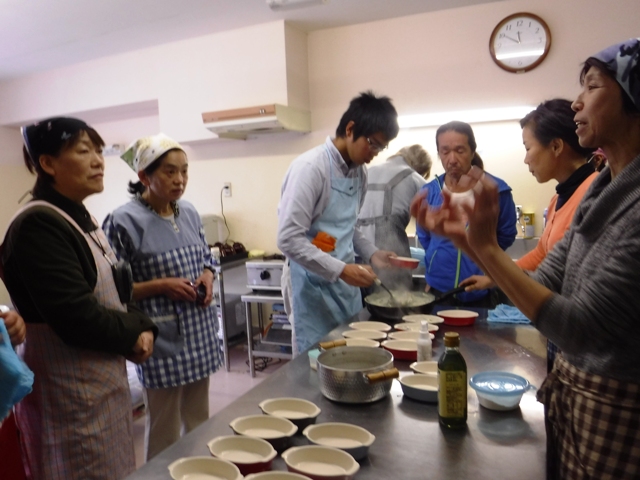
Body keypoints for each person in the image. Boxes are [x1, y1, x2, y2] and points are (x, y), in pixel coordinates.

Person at [411, 38, 640, 478]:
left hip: (617, 404)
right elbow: (551, 273)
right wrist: (474, 244)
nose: (576, 103)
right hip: (577, 393)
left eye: (591, 86)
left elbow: (580, 328)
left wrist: (485, 249)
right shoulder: (602, 187)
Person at [1, 117, 157, 480]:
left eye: (99, 151)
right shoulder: (38, 224)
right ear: (48, 163)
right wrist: (134, 333)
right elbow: (76, 315)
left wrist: (146, 327)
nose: (98, 161)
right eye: (83, 151)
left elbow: (118, 288)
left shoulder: (80, 216)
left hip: (99, 385)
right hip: (68, 394)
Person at [103, 133, 223, 461]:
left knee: (200, 420)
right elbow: (111, 288)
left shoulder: (190, 213)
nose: (180, 179)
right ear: (144, 176)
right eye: (170, 171)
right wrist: (162, 285)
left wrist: (208, 275)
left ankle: (199, 470)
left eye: (184, 171)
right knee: (165, 429)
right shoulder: (122, 221)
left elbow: (207, 257)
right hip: (161, 339)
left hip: (199, 332)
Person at [278, 91, 399, 355]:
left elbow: (346, 228)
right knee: (315, 360)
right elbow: (288, 238)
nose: (376, 153)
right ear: (350, 129)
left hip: (344, 284)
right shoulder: (311, 168)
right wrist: (342, 269)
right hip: (310, 283)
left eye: (382, 148)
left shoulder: (360, 173)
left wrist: (372, 252)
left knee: (350, 352)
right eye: (373, 144)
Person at [416, 121, 516, 307]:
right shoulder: (429, 192)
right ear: (439, 153)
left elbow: (506, 235)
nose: (452, 159)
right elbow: (424, 236)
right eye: (445, 151)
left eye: (460, 150)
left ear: (472, 151)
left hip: (480, 292)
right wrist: (439, 256)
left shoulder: (495, 191)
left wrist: (482, 259)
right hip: (438, 293)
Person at [356, 144, 432, 289]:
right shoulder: (416, 179)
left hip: (356, 252)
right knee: (396, 301)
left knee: (364, 306)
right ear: (422, 169)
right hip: (390, 257)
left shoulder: (367, 171)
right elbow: (429, 231)